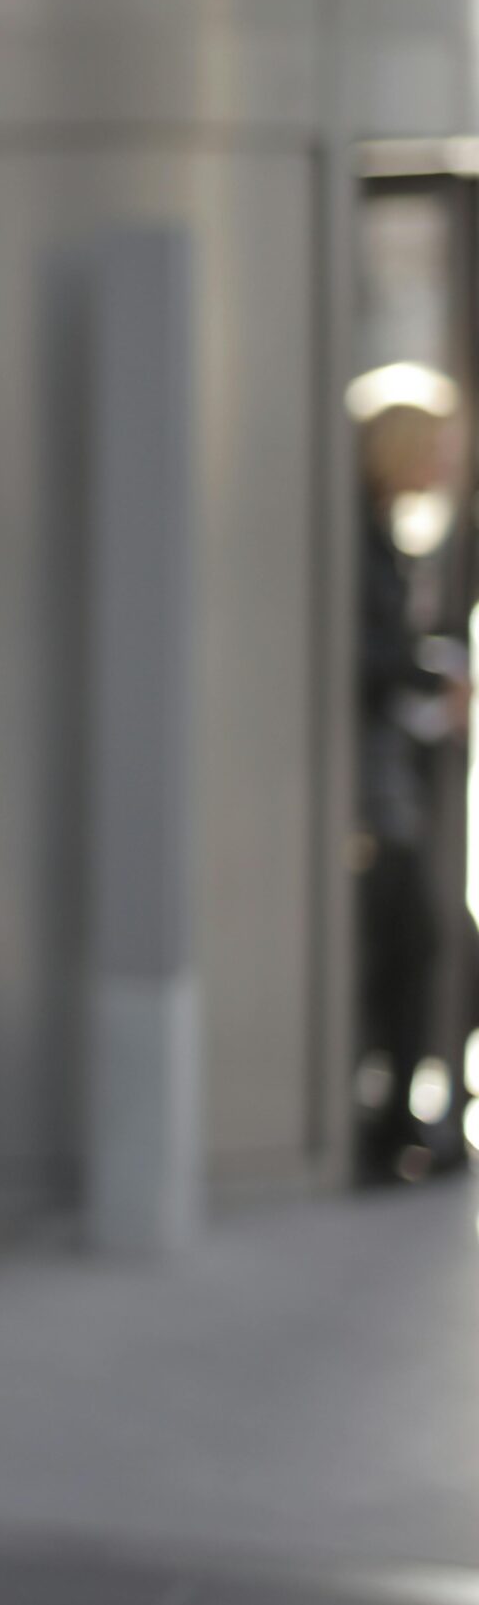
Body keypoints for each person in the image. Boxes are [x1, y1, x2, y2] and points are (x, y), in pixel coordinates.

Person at [352, 393, 471, 1184]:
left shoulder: (384, 537)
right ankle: (390, 1125)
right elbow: (369, 654)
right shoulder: (358, 538)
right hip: (368, 791)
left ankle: (406, 1120)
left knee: (421, 945)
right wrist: (438, 674)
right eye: (439, 450)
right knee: (411, 946)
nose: (447, 467)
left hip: (386, 781)